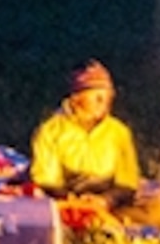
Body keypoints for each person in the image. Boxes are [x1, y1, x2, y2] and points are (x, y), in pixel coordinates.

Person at [29, 61, 142, 199]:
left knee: (157, 211)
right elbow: (46, 181)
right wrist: (74, 200)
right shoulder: (50, 131)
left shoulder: (119, 132)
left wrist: (106, 200)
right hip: (65, 203)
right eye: (95, 95)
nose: (102, 100)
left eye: (106, 94)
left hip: (109, 205)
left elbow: (128, 183)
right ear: (76, 98)